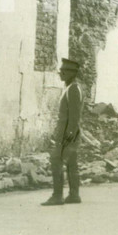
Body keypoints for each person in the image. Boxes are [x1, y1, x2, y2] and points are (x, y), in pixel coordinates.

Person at [42, 58, 83, 206]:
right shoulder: (70, 88)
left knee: (56, 160)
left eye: (63, 72)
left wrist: (68, 136)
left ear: (71, 74)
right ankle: (74, 195)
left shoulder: (73, 89)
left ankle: (57, 196)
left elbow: (74, 116)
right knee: (72, 163)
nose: (61, 74)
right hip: (69, 132)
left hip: (68, 133)